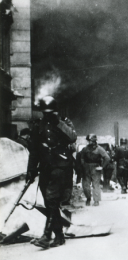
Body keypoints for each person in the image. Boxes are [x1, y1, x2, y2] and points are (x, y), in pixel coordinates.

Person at [26, 96, 77, 248]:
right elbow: (34, 151)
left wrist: (58, 123)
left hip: (61, 167)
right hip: (45, 168)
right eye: (45, 112)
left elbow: (72, 137)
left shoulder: (63, 123)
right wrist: (31, 169)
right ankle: (59, 236)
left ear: (55, 111)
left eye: (51, 112)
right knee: (49, 203)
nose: (48, 115)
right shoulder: (38, 126)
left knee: (51, 198)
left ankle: (47, 235)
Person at [81, 134, 110, 206]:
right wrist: (84, 166)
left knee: (96, 185)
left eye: (89, 141)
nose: (88, 142)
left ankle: (96, 200)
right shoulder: (85, 149)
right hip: (86, 168)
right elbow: (82, 159)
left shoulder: (99, 149)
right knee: (85, 185)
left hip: (96, 168)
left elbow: (107, 158)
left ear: (94, 141)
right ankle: (88, 198)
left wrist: (102, 167)